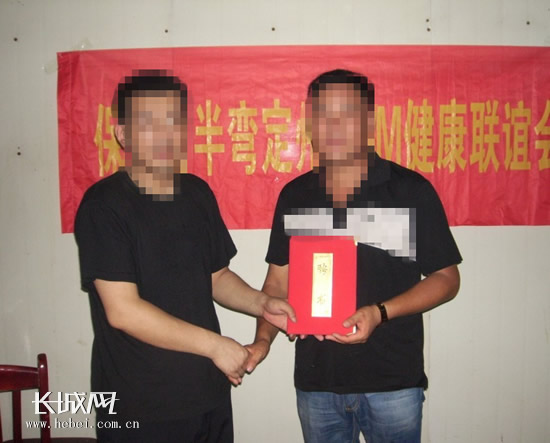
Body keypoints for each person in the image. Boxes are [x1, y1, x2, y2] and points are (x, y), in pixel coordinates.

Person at [74, 70, 295, 443]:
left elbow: (217, 278)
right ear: (123, 134)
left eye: (173, 120)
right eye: (149, 122)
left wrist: (263, 304)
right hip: (139, 403)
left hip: (207, 391)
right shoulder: (104, 205)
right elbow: (123, 310)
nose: (164, 133)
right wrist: (216, 346)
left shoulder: (196, 193)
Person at [245, 69, 462, 443]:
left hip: (393, 383)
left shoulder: (409, 191)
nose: (333, 125)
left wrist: (379, 313)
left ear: (369, 121)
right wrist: (263, 340)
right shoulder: (296, 196)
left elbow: (446, 279)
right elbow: (277, 282)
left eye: (346, 113)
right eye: (322, 113)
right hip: (317, 383)